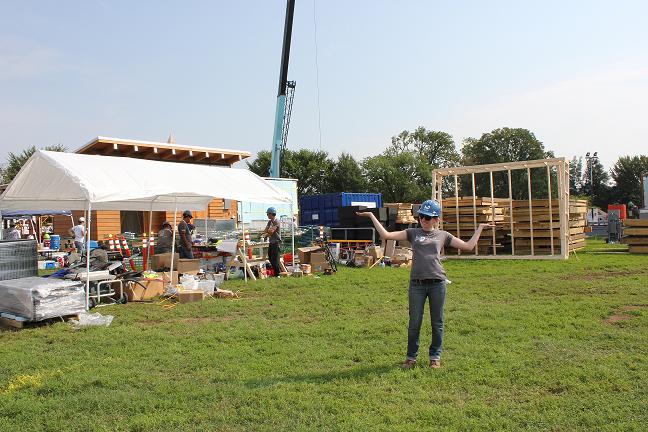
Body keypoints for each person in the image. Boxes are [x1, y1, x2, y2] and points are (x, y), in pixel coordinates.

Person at [357, 199, 492, 369]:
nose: (423, 220)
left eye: (428, 217)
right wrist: (371, 215)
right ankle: (411, 358)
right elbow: (386, 236)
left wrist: (479, 228)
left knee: (437, 322)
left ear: (436, 219)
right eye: (421, 216)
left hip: (437, 284)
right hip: (417, 285)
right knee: (414, 322)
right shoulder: (412, 233)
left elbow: (468, 246)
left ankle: (435, 357)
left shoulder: (443, 235)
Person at [263, 207, 281, 277]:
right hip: (271, 242)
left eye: (268, 214)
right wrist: (265, 234)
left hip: (276, 242)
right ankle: (276, 273)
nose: (267, 215)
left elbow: (271, 231)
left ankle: (278, 274)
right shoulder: (270, 222)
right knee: (270, 258)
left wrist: (267, 232)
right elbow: (266, 230)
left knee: (275, 259)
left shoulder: (277, 221)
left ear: (271, 214)